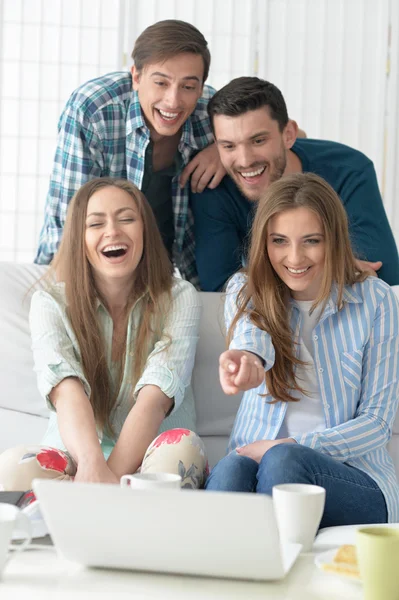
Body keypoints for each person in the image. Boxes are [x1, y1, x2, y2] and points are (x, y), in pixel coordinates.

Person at [205, 172, 399, 527]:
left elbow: (377, 423)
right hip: (254, 463)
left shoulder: (377, 301)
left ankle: (273, 563)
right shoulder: (246, 290)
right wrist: (247, 359)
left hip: (352, 479)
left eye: (311, 241)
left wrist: (293, 445)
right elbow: (253, 335)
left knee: (284, 460)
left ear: (334, 241)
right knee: (231, 469)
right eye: (279, 240)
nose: (294, 257)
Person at [0, 178, 207, 492]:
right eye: (96, 223)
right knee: (12, 467)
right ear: (79, 239)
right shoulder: (50, 303)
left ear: (146, 231)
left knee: (183, 449)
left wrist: (104, 485)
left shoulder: (180, 298)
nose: (113, 231)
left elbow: (154, 400)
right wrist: (91, 467)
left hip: (153, 456)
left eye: (126, 219)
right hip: (77, 458)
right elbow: (67, 392)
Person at [35, 20, 227, 287]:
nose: (173, 100)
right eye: (161, 82)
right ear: (136, 77)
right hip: (95, 273)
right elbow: (67, 224)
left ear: (201, 87)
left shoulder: (212, 112)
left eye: (188, 87)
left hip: (174, 277)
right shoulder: (92, 110)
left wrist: (227, 149)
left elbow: (284, 136)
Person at [191, 77, 399, 291]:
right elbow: (221, 291)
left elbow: (378, 275)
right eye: (229, 146)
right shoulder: (211, 187)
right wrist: (332, 267)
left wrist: (262, 277)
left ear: (289, 134)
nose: (245, 160)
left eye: (258, 141)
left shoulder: (349, 169)